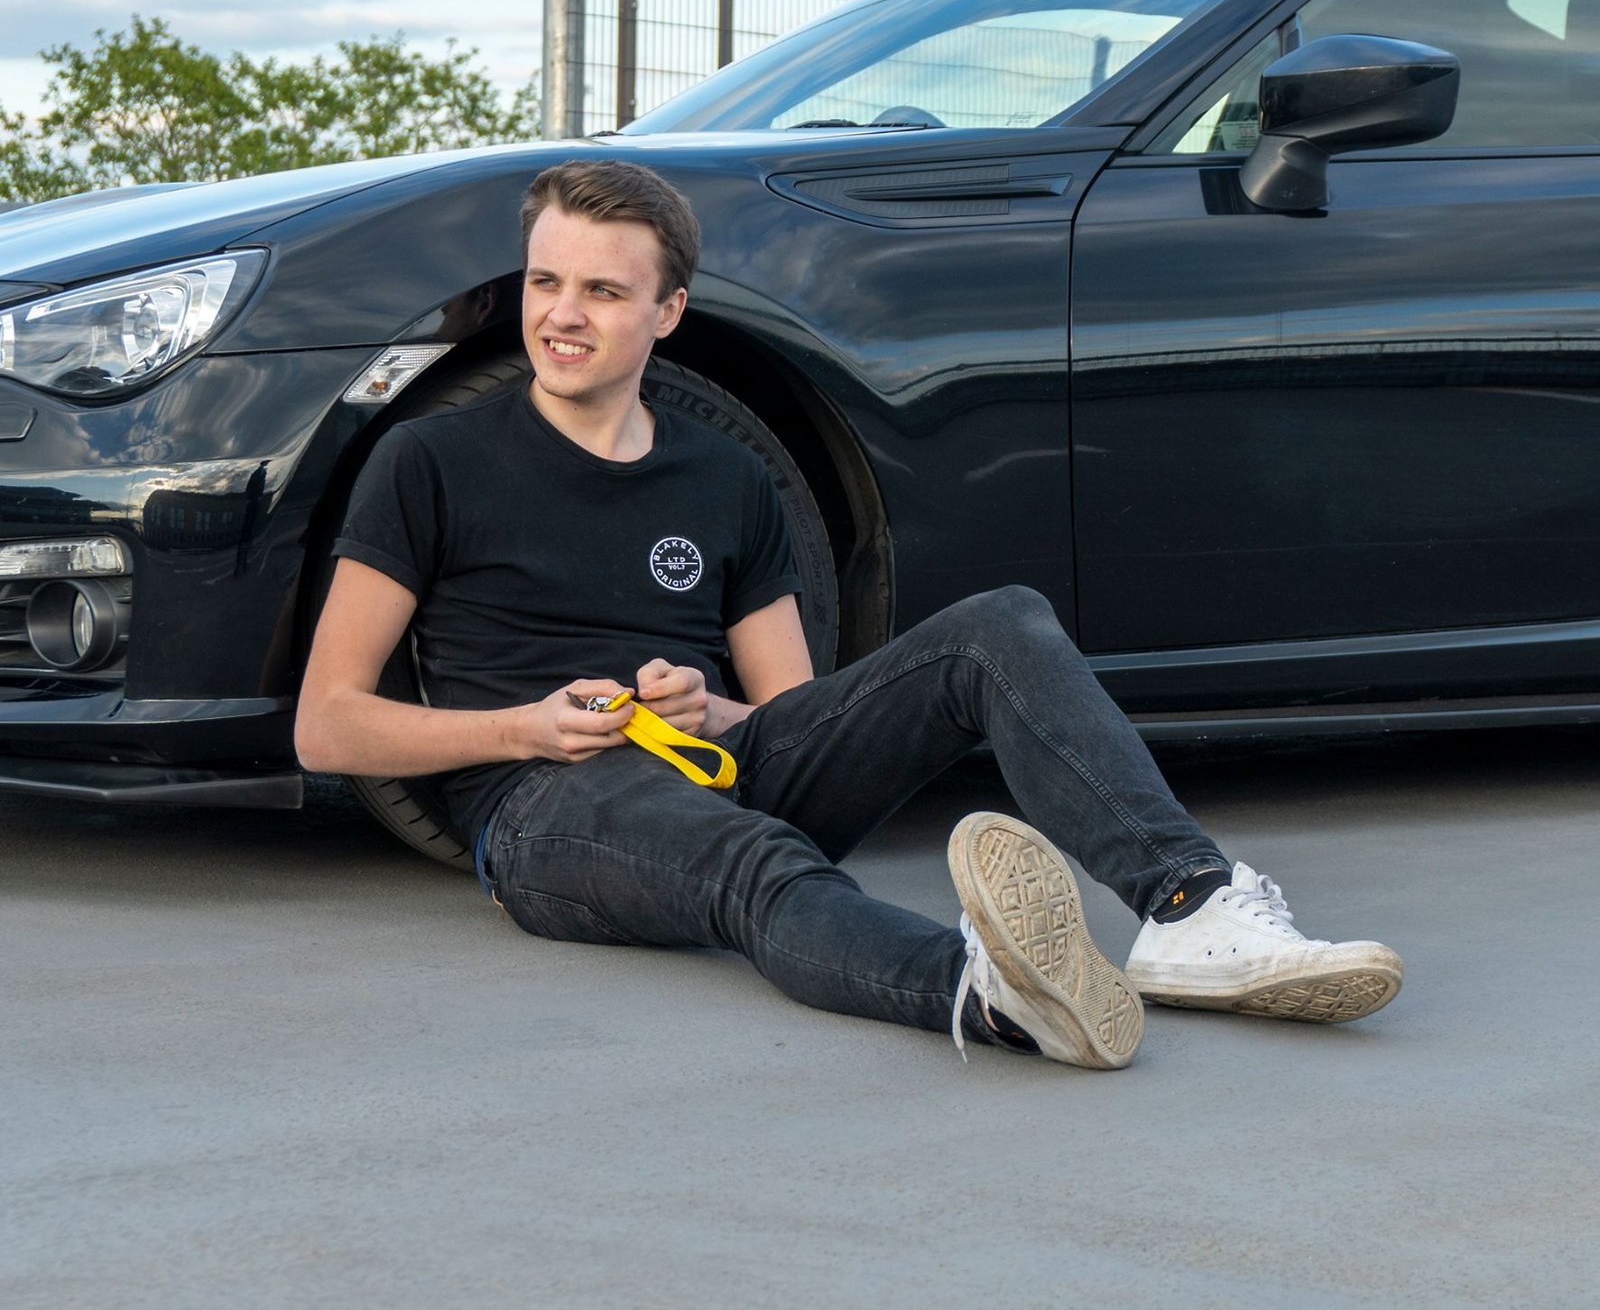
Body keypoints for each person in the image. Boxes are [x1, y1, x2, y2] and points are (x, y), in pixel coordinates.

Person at [296, 160, 1402, 1070]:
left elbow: (797, 714)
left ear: (667, 312)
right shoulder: (430, 460)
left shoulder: (726, 477)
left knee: (999, 625)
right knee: (755, 862)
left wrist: (711, 711)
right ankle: (994, 995)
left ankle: (1192, 909)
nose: (562, 315)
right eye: (545, 282)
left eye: (602, 291)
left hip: (713, 767)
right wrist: (528, 729)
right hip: (542, 807)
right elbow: (328, 725)